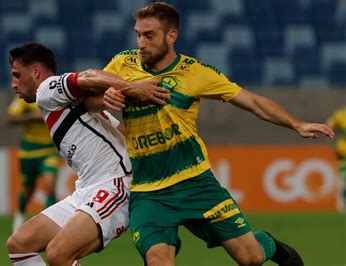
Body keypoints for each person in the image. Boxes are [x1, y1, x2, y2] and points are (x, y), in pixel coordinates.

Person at [102, 2, 334, 266]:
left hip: (196, 183)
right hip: (148, 191)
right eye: (138, 34)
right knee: (158, 261)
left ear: (171, 36)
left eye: (149, 35)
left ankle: (266, 243)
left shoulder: (196, 73)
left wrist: (296, 124)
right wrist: (106, 93)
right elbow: (91, 90)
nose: (141, 42)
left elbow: (252, 101)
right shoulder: (122, 64)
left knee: (250, 258)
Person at [5, 42, 169, 266]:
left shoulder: (46, 89)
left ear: (35, 72)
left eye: (17, 75)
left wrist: (133, 88)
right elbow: (122, 133)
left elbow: (90, 75)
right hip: (86, 190)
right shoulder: (80, 105)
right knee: (19, 245)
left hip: (113, 185)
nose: (13, 83)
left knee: (58, 253)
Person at [7, 96, 61, 232]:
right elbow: (10, 119)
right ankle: (19, 217)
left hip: (49, 149)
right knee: (28, 189)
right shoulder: (26, 98)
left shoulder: (56, 96)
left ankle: (50, 225)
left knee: (50, 186)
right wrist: (32, 117)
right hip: (28, 151)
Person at [326, 106, 346, 206]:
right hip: (343, 152)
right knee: (343, 179)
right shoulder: (341, 115)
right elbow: (329, 126)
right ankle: (341, 205)